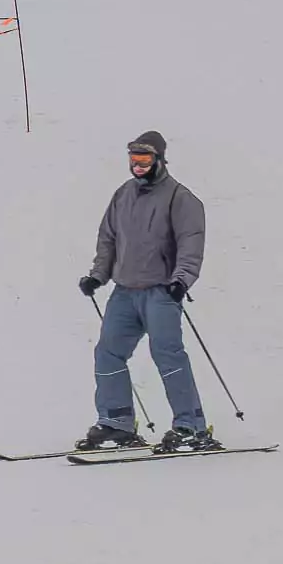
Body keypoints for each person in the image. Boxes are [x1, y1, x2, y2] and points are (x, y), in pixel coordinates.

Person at [75, 130, 215, 453]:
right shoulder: (122, 196)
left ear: (160, 160)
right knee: (108, 352)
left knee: (167, 354)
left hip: (161, 292)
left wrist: (181, 280)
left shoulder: (180, 198)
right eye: (133, 160)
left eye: (144, 160)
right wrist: (98, 276)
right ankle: (116, 421)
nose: (138, 166)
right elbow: (108, 238)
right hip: (124, 292)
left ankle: (190, 426)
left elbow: (191, 243)